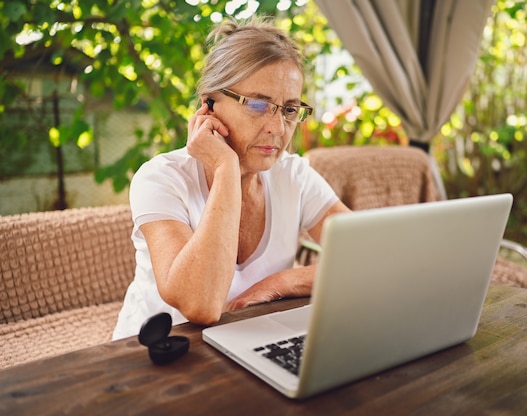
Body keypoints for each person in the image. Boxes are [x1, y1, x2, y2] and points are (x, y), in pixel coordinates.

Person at [112, 17, 350, 340]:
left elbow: (373, 258)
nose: (278, 129)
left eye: (289, 110)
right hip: (156, 356)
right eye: (257, 104)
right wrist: (226, 167)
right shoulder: (160, 179)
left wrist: (282, 283)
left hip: (247, 343)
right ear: (209, 105)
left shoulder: (293, 176)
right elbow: (203, 305)